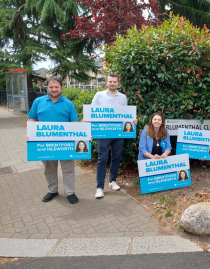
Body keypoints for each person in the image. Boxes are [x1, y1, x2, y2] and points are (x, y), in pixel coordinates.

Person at [27, 76, 79, 204]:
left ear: (61, 87)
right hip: (45, 143)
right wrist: (30, 134)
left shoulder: (68, 104)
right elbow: (31, 119)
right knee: (49, 168)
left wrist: (82, 136)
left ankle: (70, 192)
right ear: (47, 87)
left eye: (56, 87)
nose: (54, 89)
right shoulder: (38, 102)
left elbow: (75, 123)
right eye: (51, 87)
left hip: (65, 144)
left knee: (68, 169)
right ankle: (52, 190)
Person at [91, 73, 138, 199]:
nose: (112, 84)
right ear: (106, 82)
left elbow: (126, 115)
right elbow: (92, 113)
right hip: (103, 133)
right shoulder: (99, 95)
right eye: (110, 81)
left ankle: (112, 181)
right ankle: (99, 187)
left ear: (118, 83)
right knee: (102, 159)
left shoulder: (123, 97)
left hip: (118, 133)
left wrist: (133, 121)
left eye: (114, 82)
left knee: (116, 158)